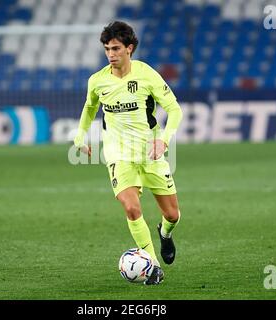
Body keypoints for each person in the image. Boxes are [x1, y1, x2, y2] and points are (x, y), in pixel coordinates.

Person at [73, 21, 183, 285]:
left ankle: (165, 234)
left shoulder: (146, 75)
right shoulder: (98, 81)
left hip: (151, 152)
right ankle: (152, 265)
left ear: (129, 48)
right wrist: (80, 136)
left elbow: (175, 109)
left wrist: (165, 141)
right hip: (117, 154)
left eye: (116, 48)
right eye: (107, 49)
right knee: (131, 207)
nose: (110, 54)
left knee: (172, 215)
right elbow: (89, 108)